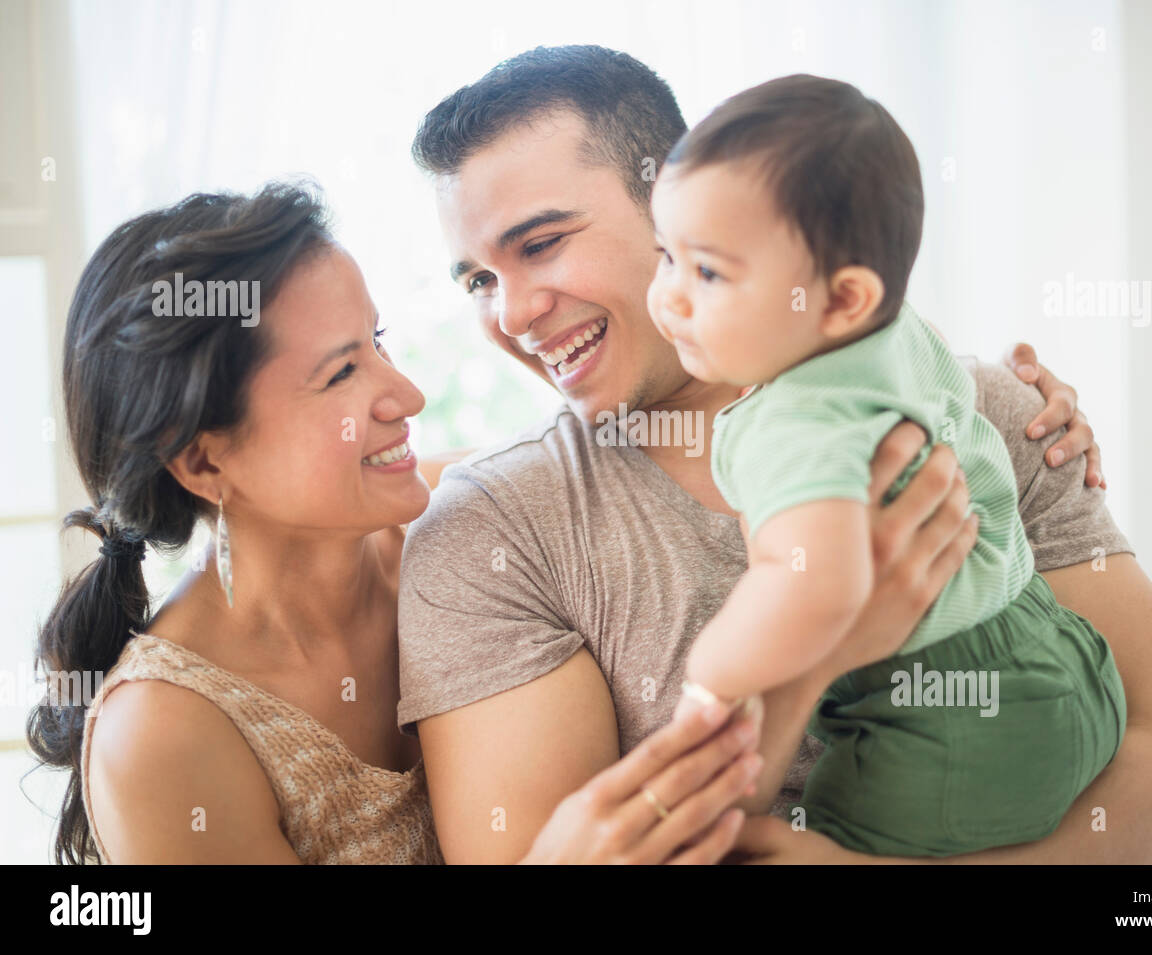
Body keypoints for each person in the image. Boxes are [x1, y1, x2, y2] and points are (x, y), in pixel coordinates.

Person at [400, 44, 1152, 864]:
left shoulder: (995, 411)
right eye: (476, 280)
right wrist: (821, 659)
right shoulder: (493, 534)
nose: (509, 315)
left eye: (540, 243)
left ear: (677, 205)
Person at [28, 182, 762, 864]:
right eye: (341, 374)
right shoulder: (162, 735)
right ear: (203, 464)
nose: (406, 395)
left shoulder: (486, 518)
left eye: (376, 341)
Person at [646, 73, 1126, 856]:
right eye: (665, 256)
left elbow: (820, 579)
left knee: (783, 843)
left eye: (707, 272)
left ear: (840, 300)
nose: (667, 297)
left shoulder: (793, 420)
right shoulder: (895, 335)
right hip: (1063, 652)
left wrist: (716, 667)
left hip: (947, 724)